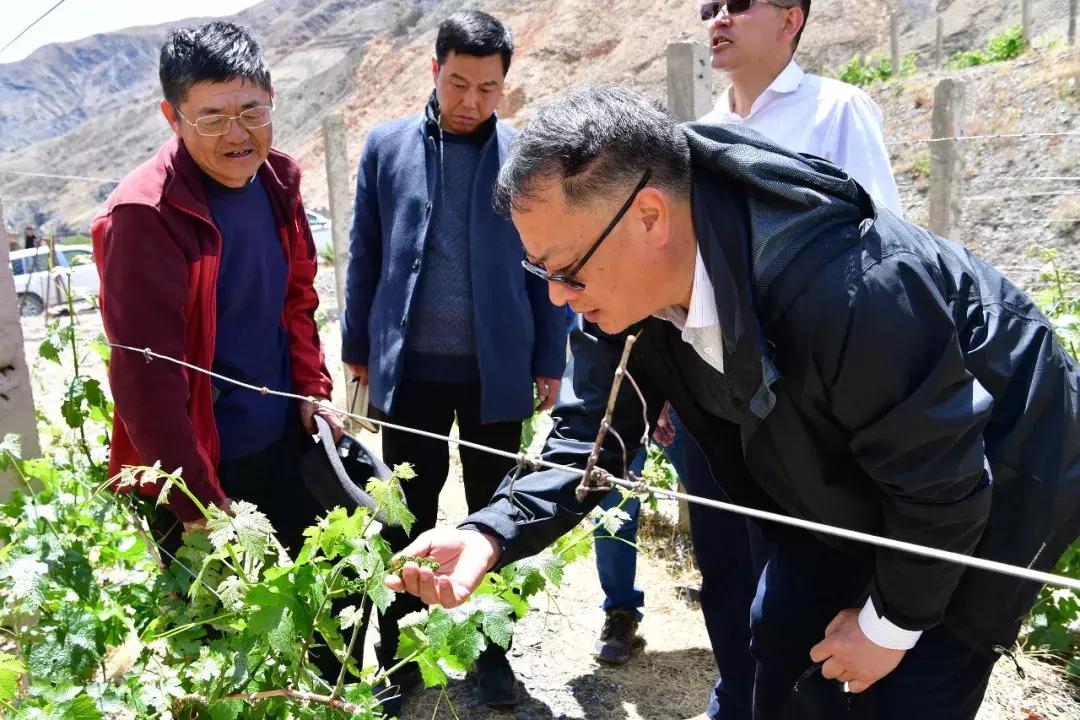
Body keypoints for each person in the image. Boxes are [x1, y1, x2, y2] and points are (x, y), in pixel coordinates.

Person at [384, 85, 1080, 720]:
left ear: (648, 216)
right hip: (850, 459)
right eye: (541, 273)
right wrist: (490, 531)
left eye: (565, 270)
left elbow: (944, 490)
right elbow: (591, 442)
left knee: (912, 678)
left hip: (999, 454)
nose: (558, 297)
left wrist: (886, 626)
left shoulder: (851, 286)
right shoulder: (621, 297)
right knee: (781, 633)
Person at [601, 2, 904, 717]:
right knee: (725, 565)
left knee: (799, 569)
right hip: (715, 399)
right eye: (709, 7)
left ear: (793, 18)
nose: (719, 19)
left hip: (805, 409)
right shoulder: (698, 139)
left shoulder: (836, 112)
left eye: (740, 4)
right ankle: (734, 691)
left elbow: (884, 255)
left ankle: (789, 698)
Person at [340, 10, 567, 711]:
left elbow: (546, 265)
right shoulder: (386, 148)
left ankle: (492, 654)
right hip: (411, 373)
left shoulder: (528, 156)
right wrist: (357, 353)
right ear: (434, 71)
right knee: (403, 514)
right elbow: (365, 254)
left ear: (506, 85)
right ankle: (400, 655)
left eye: (488, 88)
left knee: (494, 516)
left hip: (495, 371)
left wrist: (549, 357)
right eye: (458, 82)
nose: (471, 100)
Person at [92, 21, 342, 555]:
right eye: (212, 118)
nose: (237, 134)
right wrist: (199, 505)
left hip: (283, 443)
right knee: (221, 631)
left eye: (252, 112)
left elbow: (297, 301)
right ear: (173, 118)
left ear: (271, 99)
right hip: (203, 465)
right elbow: (145, 381)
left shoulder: (279, 181)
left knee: (317, 613)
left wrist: (313, 388)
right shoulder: (145, 215)